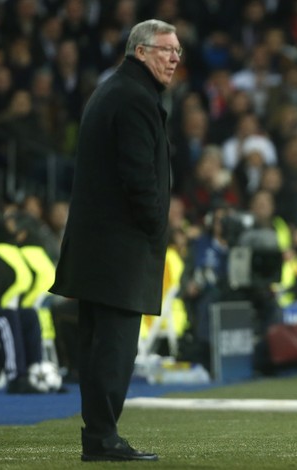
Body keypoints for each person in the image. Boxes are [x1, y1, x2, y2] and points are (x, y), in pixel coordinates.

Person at [49, 19, 181, 462]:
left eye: (178, 51)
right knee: (113, 348)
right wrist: (154, 225)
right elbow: (138, 177)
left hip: (100, 246)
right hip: (119, 248)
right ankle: (103, 439)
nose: (174, 57)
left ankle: (99, 436)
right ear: (139, 52)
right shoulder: (133, 98)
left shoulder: (117, 90)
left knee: (99, 346)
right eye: (165, 49)